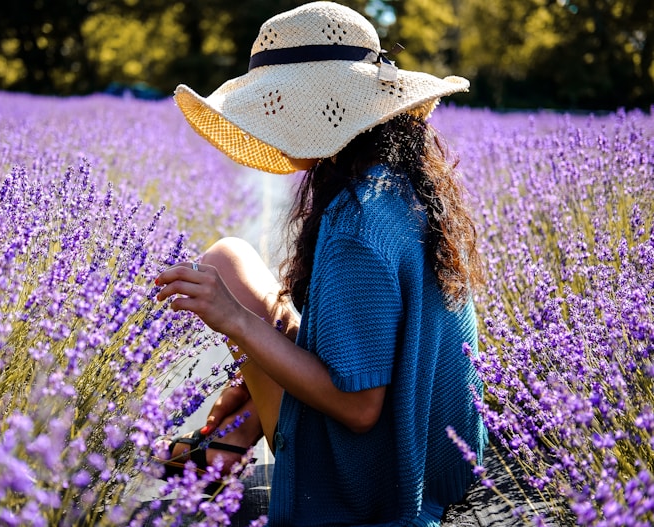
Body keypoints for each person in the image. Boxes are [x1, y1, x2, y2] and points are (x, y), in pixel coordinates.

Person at [154, 2, 488, 525]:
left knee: (228, 287)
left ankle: (225, 444)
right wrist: (251, 377)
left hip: (372, 479)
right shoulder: (403, 184)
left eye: (275, 105)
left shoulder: (357, 223)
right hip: (435, 452)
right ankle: (234, 434)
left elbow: (359, 409)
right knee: (228, 258)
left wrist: (234, 321)